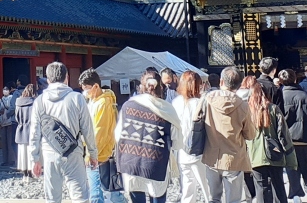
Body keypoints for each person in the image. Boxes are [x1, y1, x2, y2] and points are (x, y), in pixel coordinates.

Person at [29, 62, 98, 203]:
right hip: (73, 152)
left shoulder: (39, 101)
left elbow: (34, 133)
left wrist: (34, 159)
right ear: (67, 77)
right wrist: (93, 154)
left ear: (48, 79)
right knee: (80, 197)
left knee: (52, 199)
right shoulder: (77, 98)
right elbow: (88, 129)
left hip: (49, 153)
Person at [116, 70, 182, 203]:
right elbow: (177, 141)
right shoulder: (166, 109)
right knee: (157, 196)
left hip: (130, 161)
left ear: (141, 86)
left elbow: (118, 135)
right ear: (161, 87)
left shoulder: (128, 105)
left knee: (137, 196)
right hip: (156, 163)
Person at [201, 66, 256, 203]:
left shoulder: (207, 100)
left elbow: (196, 123)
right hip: (234, 157)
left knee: (213, 198)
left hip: (211, 154)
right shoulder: (243, 105)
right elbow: (250, 134)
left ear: (221, 82)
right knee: (234, 200)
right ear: (239, 85)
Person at [79, 69, 124, 203]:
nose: (85, 92)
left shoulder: (102, 103)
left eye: (87, 88)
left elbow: (99, 132)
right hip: (103, 153)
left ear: (96, 86)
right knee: (111, 193)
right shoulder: (98, 101)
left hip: (99, 154)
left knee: (96, 194)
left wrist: (90, 154)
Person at [246, 82, 294, 203]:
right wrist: (289, 154)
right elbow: (283, 134)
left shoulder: (247, 110)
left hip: (254, 155)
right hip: (274, 152)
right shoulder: (273, 108)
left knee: (261, 188)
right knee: (278, 186)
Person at [172, 71, 215, 203]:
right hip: (199, 149)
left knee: (187, 187)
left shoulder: (176, 102)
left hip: (181, 150)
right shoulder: (199, 103)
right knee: (207, 186)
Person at [280, 69, 307, 203]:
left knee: (291, 168)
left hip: (287, 139)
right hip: (305, 137)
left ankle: (295, 193)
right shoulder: (305, 96)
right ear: (295, 79)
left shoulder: (280, 96)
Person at [14, 84, 37, 180]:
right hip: (31, 129)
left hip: (21, 129)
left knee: (22, 153)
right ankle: (31, 174)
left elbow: (16, 118)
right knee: (30, 152)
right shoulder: (34, 102)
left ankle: (25, 174)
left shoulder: (18, 102)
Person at [0, 85, 18, 169]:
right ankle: (5, 160)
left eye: (6, 89)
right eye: (4, 89)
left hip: (10, 122)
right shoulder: (1, 100)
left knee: (10, 142)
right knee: (4, 142)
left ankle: (11, 160)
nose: (5, 91)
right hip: (3, 122)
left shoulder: (12, 98)